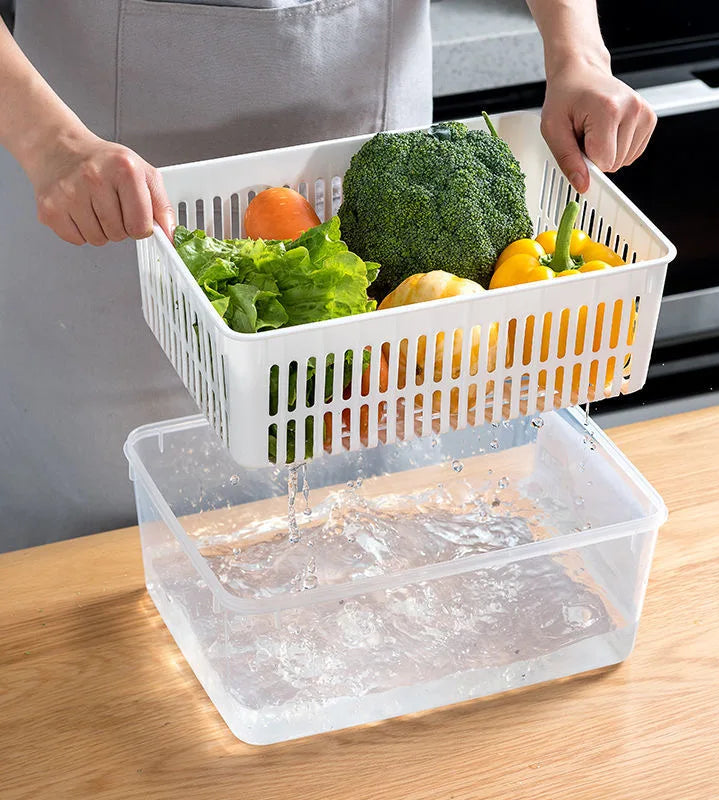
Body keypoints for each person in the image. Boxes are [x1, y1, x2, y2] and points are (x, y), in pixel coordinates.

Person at [0, 0, 655, 549]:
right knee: (99, 580)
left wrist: (578, 55)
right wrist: (48, 143)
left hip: (372, 172)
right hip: (93, 191)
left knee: (373, 538)